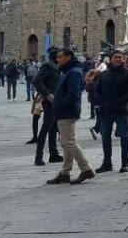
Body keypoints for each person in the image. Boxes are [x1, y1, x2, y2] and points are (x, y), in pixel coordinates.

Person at [46, 47, 94, 185]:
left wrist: (59, 104)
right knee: (65, 141)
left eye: (60, 56)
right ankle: (65, 172)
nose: (57, 59)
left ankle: (86, 169)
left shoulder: (73, 72)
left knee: (68, 142)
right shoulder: (68, 71)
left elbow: (73, 94)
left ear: (68, 57)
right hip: (64, 110)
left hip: (67, 111)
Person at [94, 49, 128, 173]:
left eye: (120, 57)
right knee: (106, 137)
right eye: (115, 57)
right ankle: (107, 162)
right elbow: (98, 89)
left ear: (123, 59)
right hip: (106, 110)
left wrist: (121, 102)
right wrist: (100, 103)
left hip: (121, 110)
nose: (118, 59)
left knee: (124, 136)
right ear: (111, 59)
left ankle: (125, 162)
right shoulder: (104, 74)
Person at [32, 48, 63, 166]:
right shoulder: (47, 65)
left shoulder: (56, 66)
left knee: (53, 128)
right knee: (46, 127)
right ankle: (38, 157)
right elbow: (36, 81)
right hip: (50, 101)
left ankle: (53, 153)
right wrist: (47, 94)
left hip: (57, 101)